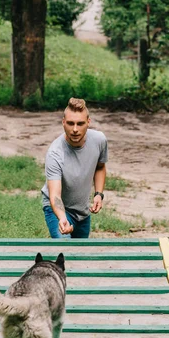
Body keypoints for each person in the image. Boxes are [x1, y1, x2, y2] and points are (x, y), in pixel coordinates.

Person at [41, 97, 108, 239]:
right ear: (63, 123)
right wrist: (62, 217)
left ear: (88, 123)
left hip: (82, 211)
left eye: (80, 123)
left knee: (80, 253)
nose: (75, 129)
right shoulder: (55, 153)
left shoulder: (99, 140)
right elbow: (55, 195)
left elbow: (100, 167)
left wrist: (98, 194)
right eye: (70, 123)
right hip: (57, 209)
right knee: (65, 249)